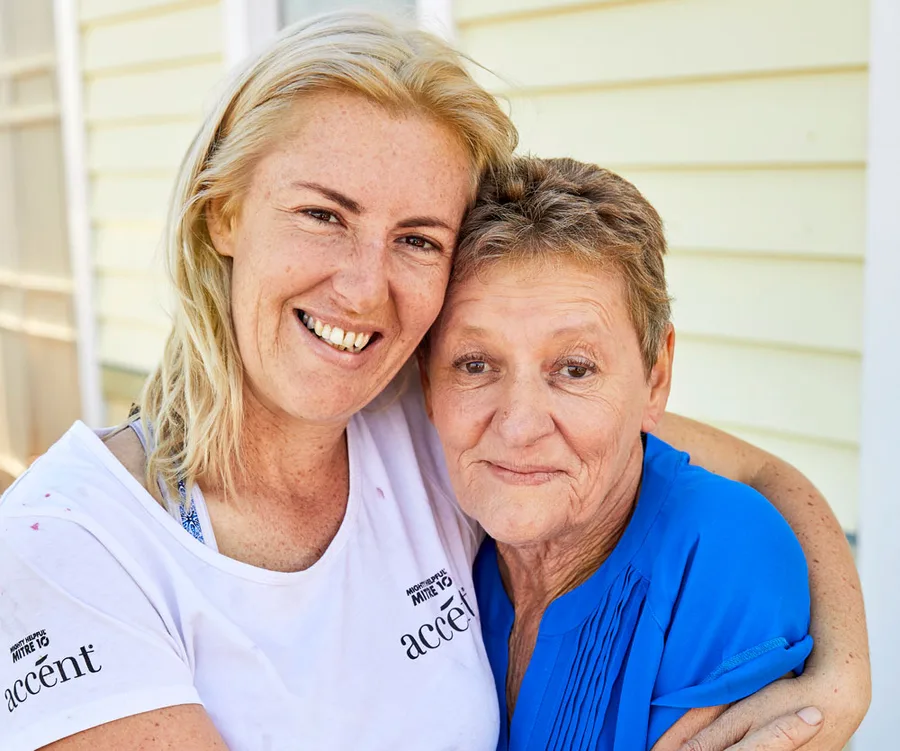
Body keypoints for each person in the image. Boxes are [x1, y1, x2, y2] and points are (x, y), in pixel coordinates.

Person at [0, 12, 867, 751]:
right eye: (322, 215)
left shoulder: (429, 426)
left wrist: (845, 679)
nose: (362, 285)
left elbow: (761, 475)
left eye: (417, 237)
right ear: (221, 210)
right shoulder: (68, 545)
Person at [419, 155, 821, 750]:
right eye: (475, 364)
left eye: (574, 369)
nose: (520, 425)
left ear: (655, 378)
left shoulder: (722, 551)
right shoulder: (439, 540)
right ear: (426, 380)